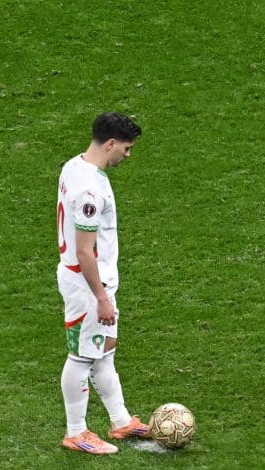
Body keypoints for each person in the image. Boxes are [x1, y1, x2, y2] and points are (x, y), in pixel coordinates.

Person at [56, 112, 150, 453]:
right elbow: (84, 251)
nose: (128, 154)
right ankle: (76, 432)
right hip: (87, 285)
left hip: (94, 282)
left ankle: (121, 421)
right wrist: (101, 298)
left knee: (104, 352)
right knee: (82, 355)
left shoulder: (75, 167)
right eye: (126, 148)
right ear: (110, 143)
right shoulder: (89, 192)